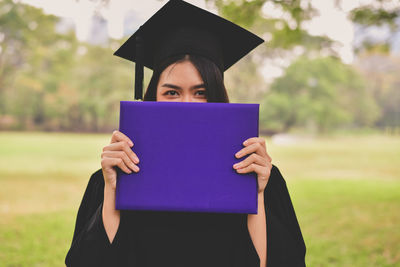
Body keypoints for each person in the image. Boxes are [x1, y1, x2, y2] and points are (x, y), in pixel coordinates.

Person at [65, 1, 306, 266]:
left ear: (217, 97)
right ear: (152, 99)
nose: (187, 105)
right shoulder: (109, 179)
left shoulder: (260, 177)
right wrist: (113, 190)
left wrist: (256, 194)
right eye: (171, 92)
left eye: (200, 93)